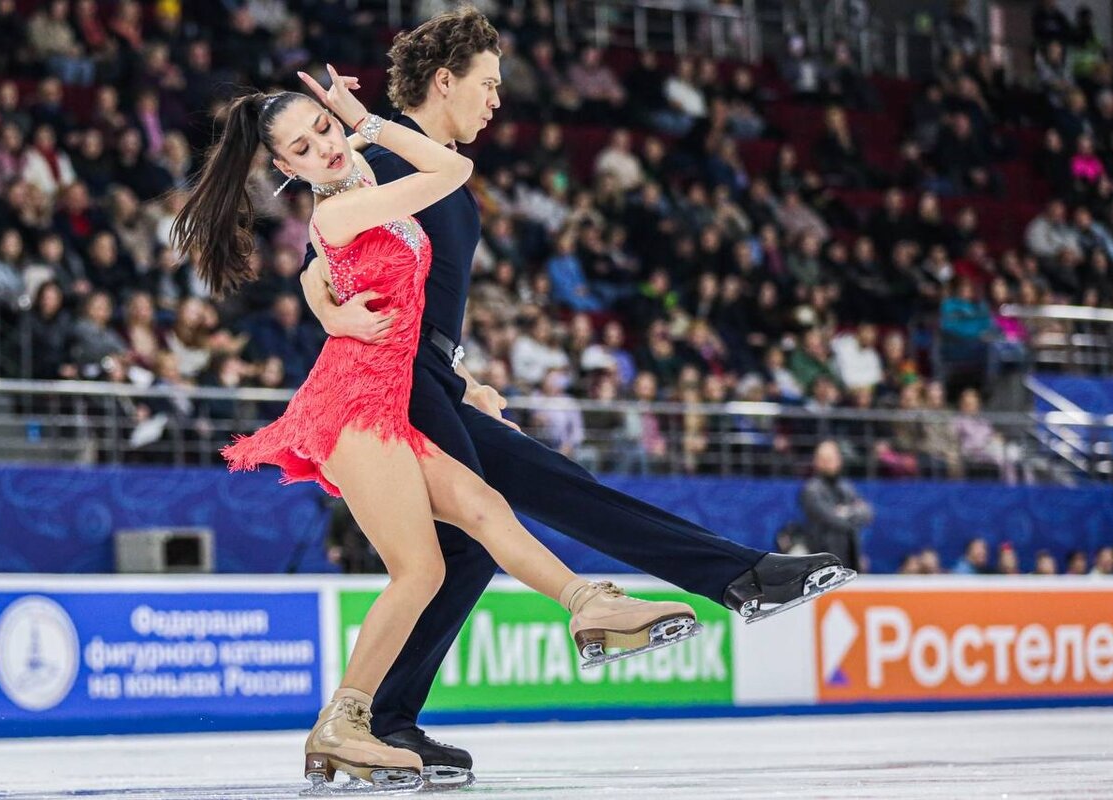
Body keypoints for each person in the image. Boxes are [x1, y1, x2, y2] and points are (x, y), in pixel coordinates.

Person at [299, 7, 851, 785]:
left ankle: (385, 719)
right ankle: (711, 584)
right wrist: (334, 312)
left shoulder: (442, 173)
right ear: (445, 80)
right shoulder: (385, 157)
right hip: (396, 386)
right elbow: (317, 257)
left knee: (480, 541)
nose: (497, 100)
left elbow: (421, 294)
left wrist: (464, 375)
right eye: (487, 84)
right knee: (500, 520)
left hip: (435, 381)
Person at [171, 75, 698, 792]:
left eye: (324, 128)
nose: (325, 145)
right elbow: (452, 171)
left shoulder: (344, 194)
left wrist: (455, 375)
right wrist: (368, 120)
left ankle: (590, 608)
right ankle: (343, 724)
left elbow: (335, 278)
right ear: (285, 169)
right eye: (302, 147)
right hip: (354, 405)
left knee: (484, 509)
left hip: (390, 398)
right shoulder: (346, 204)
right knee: (421, 570)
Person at [799, 440, 874, 572]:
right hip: (822, 560)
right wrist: (852, 513)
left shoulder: (846, 487)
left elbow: (867, 513)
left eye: (831, 458)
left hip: (850, 557)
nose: (828, 463)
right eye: (823, 459)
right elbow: (831, 519)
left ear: (839, 460)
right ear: (816, 461)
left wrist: (845, 512)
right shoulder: (811, 490)